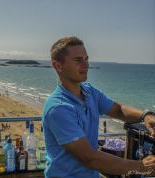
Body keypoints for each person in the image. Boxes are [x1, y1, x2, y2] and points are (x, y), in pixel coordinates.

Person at [42, 36, 155, 178]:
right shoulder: (58, 108)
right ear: (58, 65)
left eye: (86, 59)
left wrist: (146, 115)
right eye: (78, 60)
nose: (85, 65)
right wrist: (142, 167)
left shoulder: (89, 91)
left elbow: (118, 110)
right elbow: (89, 158)